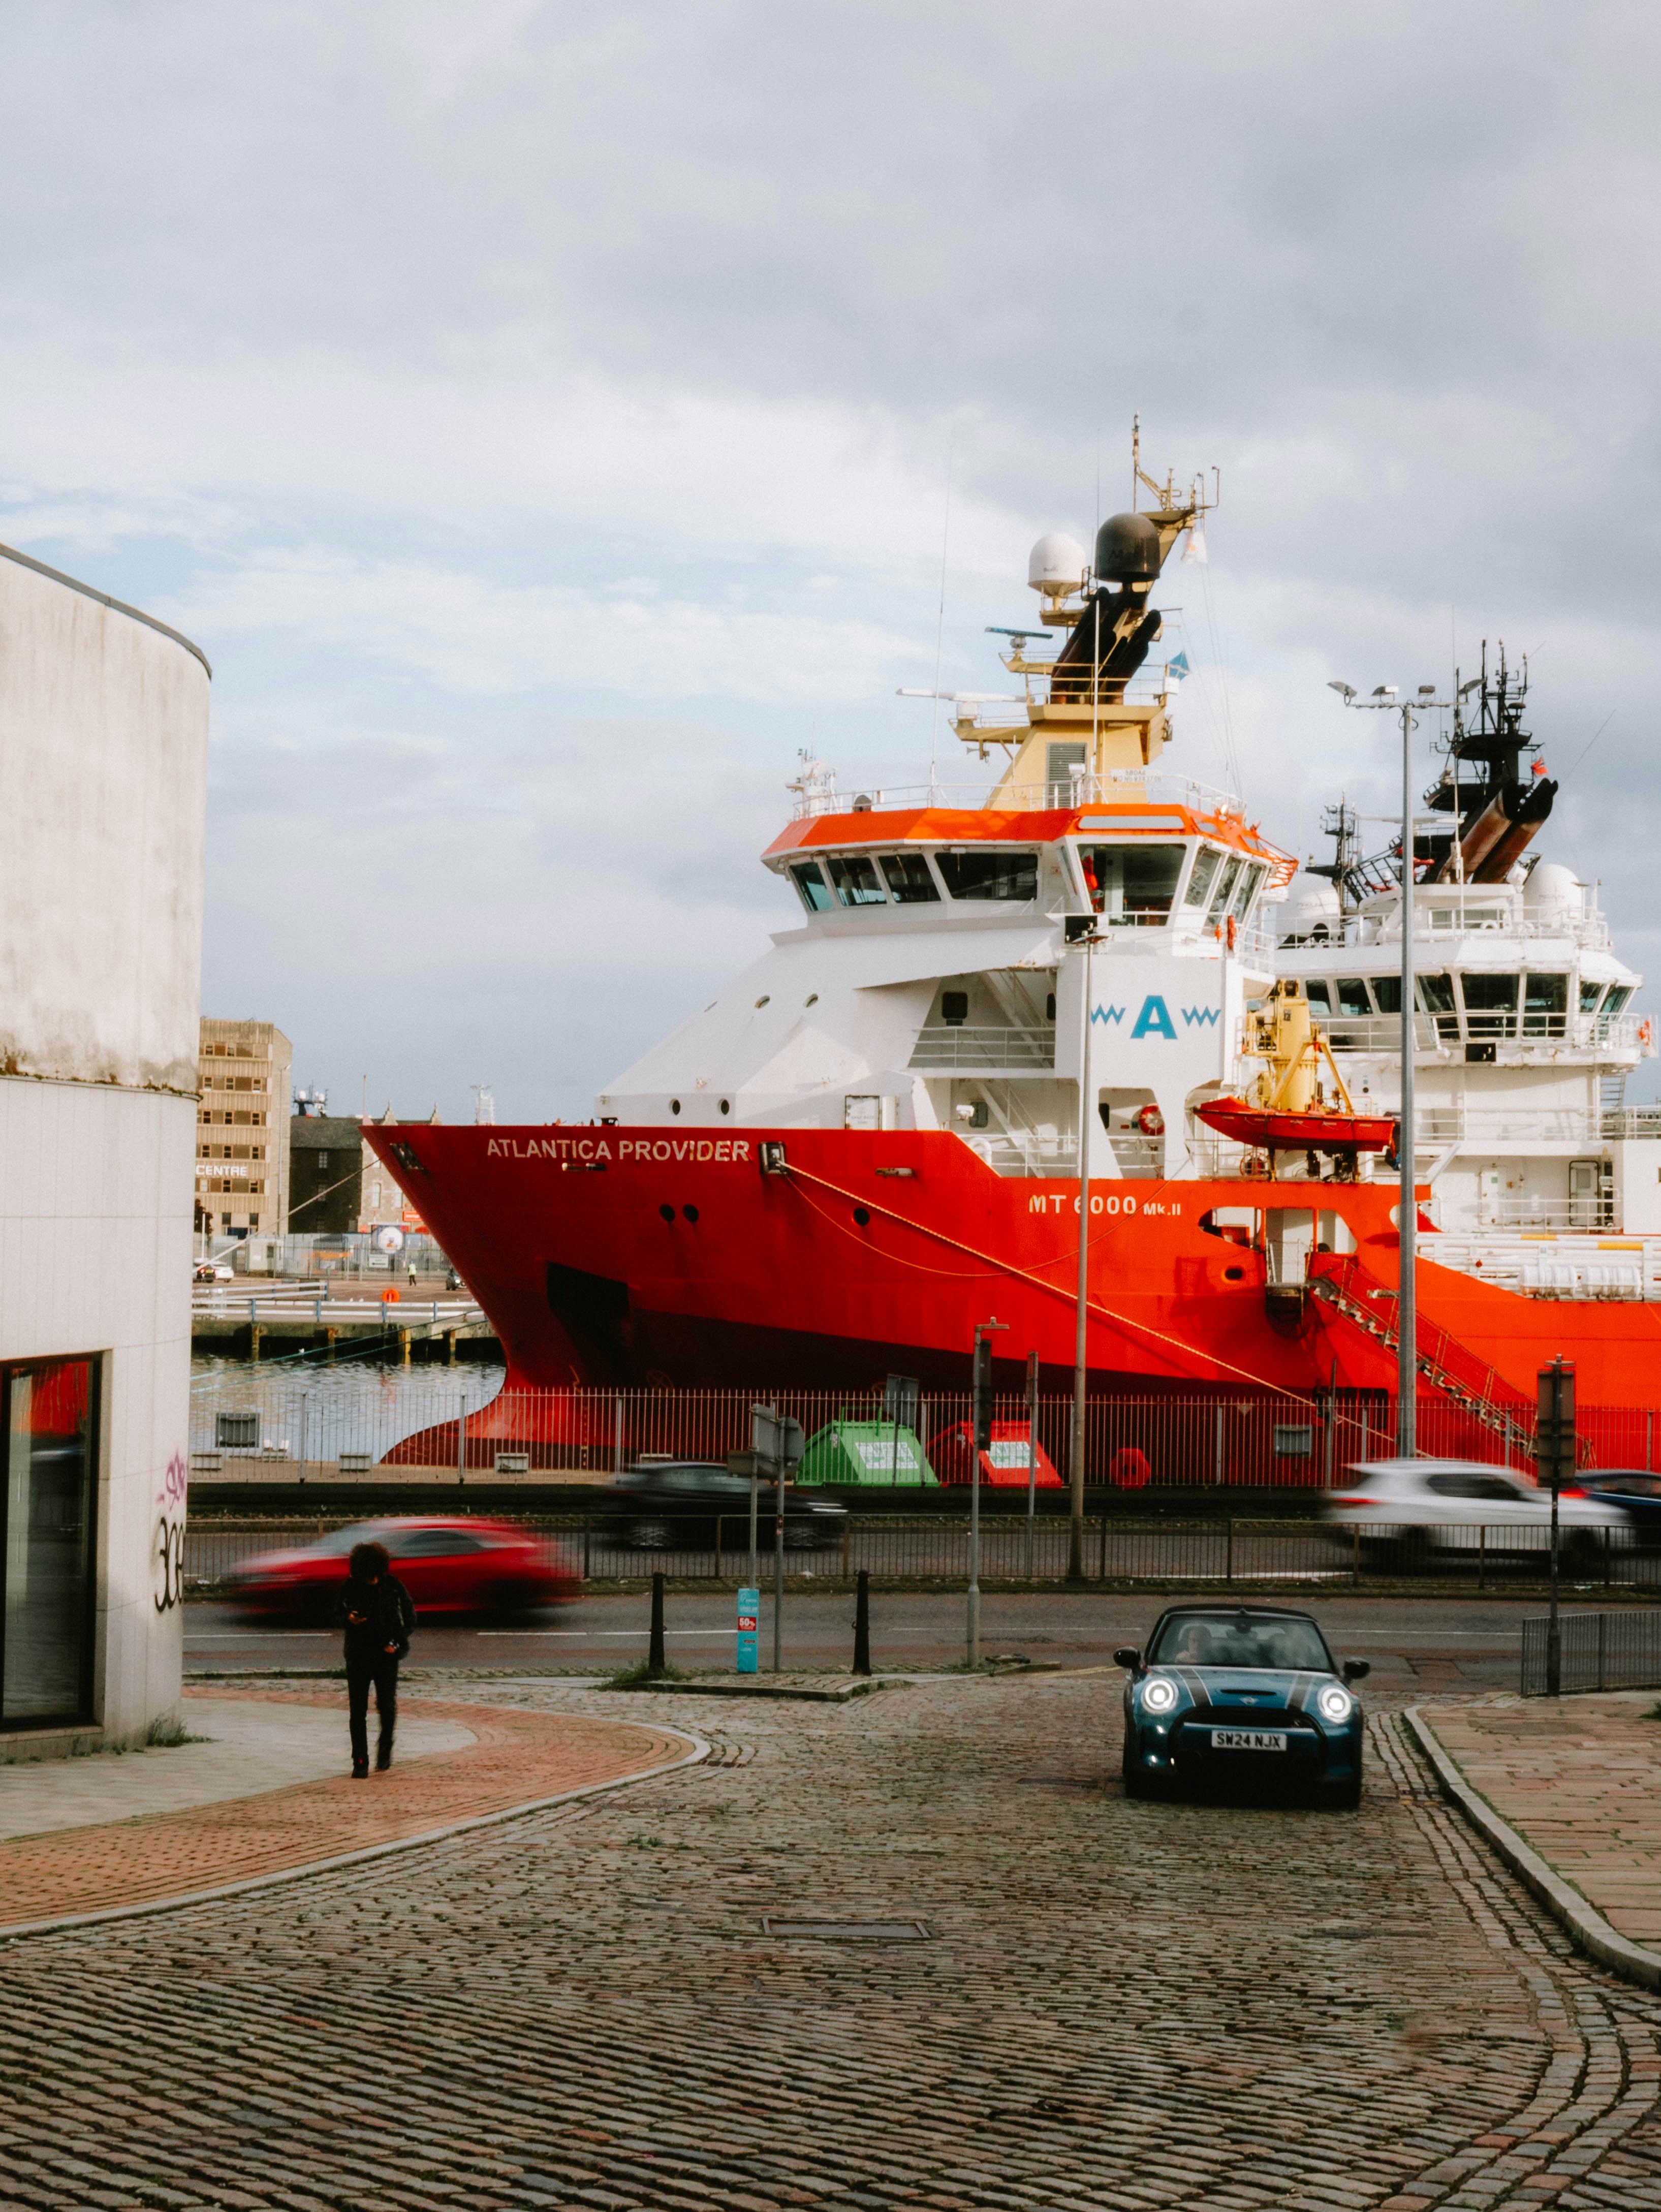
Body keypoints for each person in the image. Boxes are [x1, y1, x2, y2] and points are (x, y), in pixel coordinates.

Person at [336, 1540, 414, 1777]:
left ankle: (384, 1750)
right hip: (358, 1656)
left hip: (386, 1657)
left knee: (387, 1707)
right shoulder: (350, 1587)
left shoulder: (393, 1586)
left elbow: (410, 1619)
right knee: (357, 1712)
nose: (369, 1580)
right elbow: (335, 1614)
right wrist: (349, 1619)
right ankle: (360, 1761)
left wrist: (395, 1643)